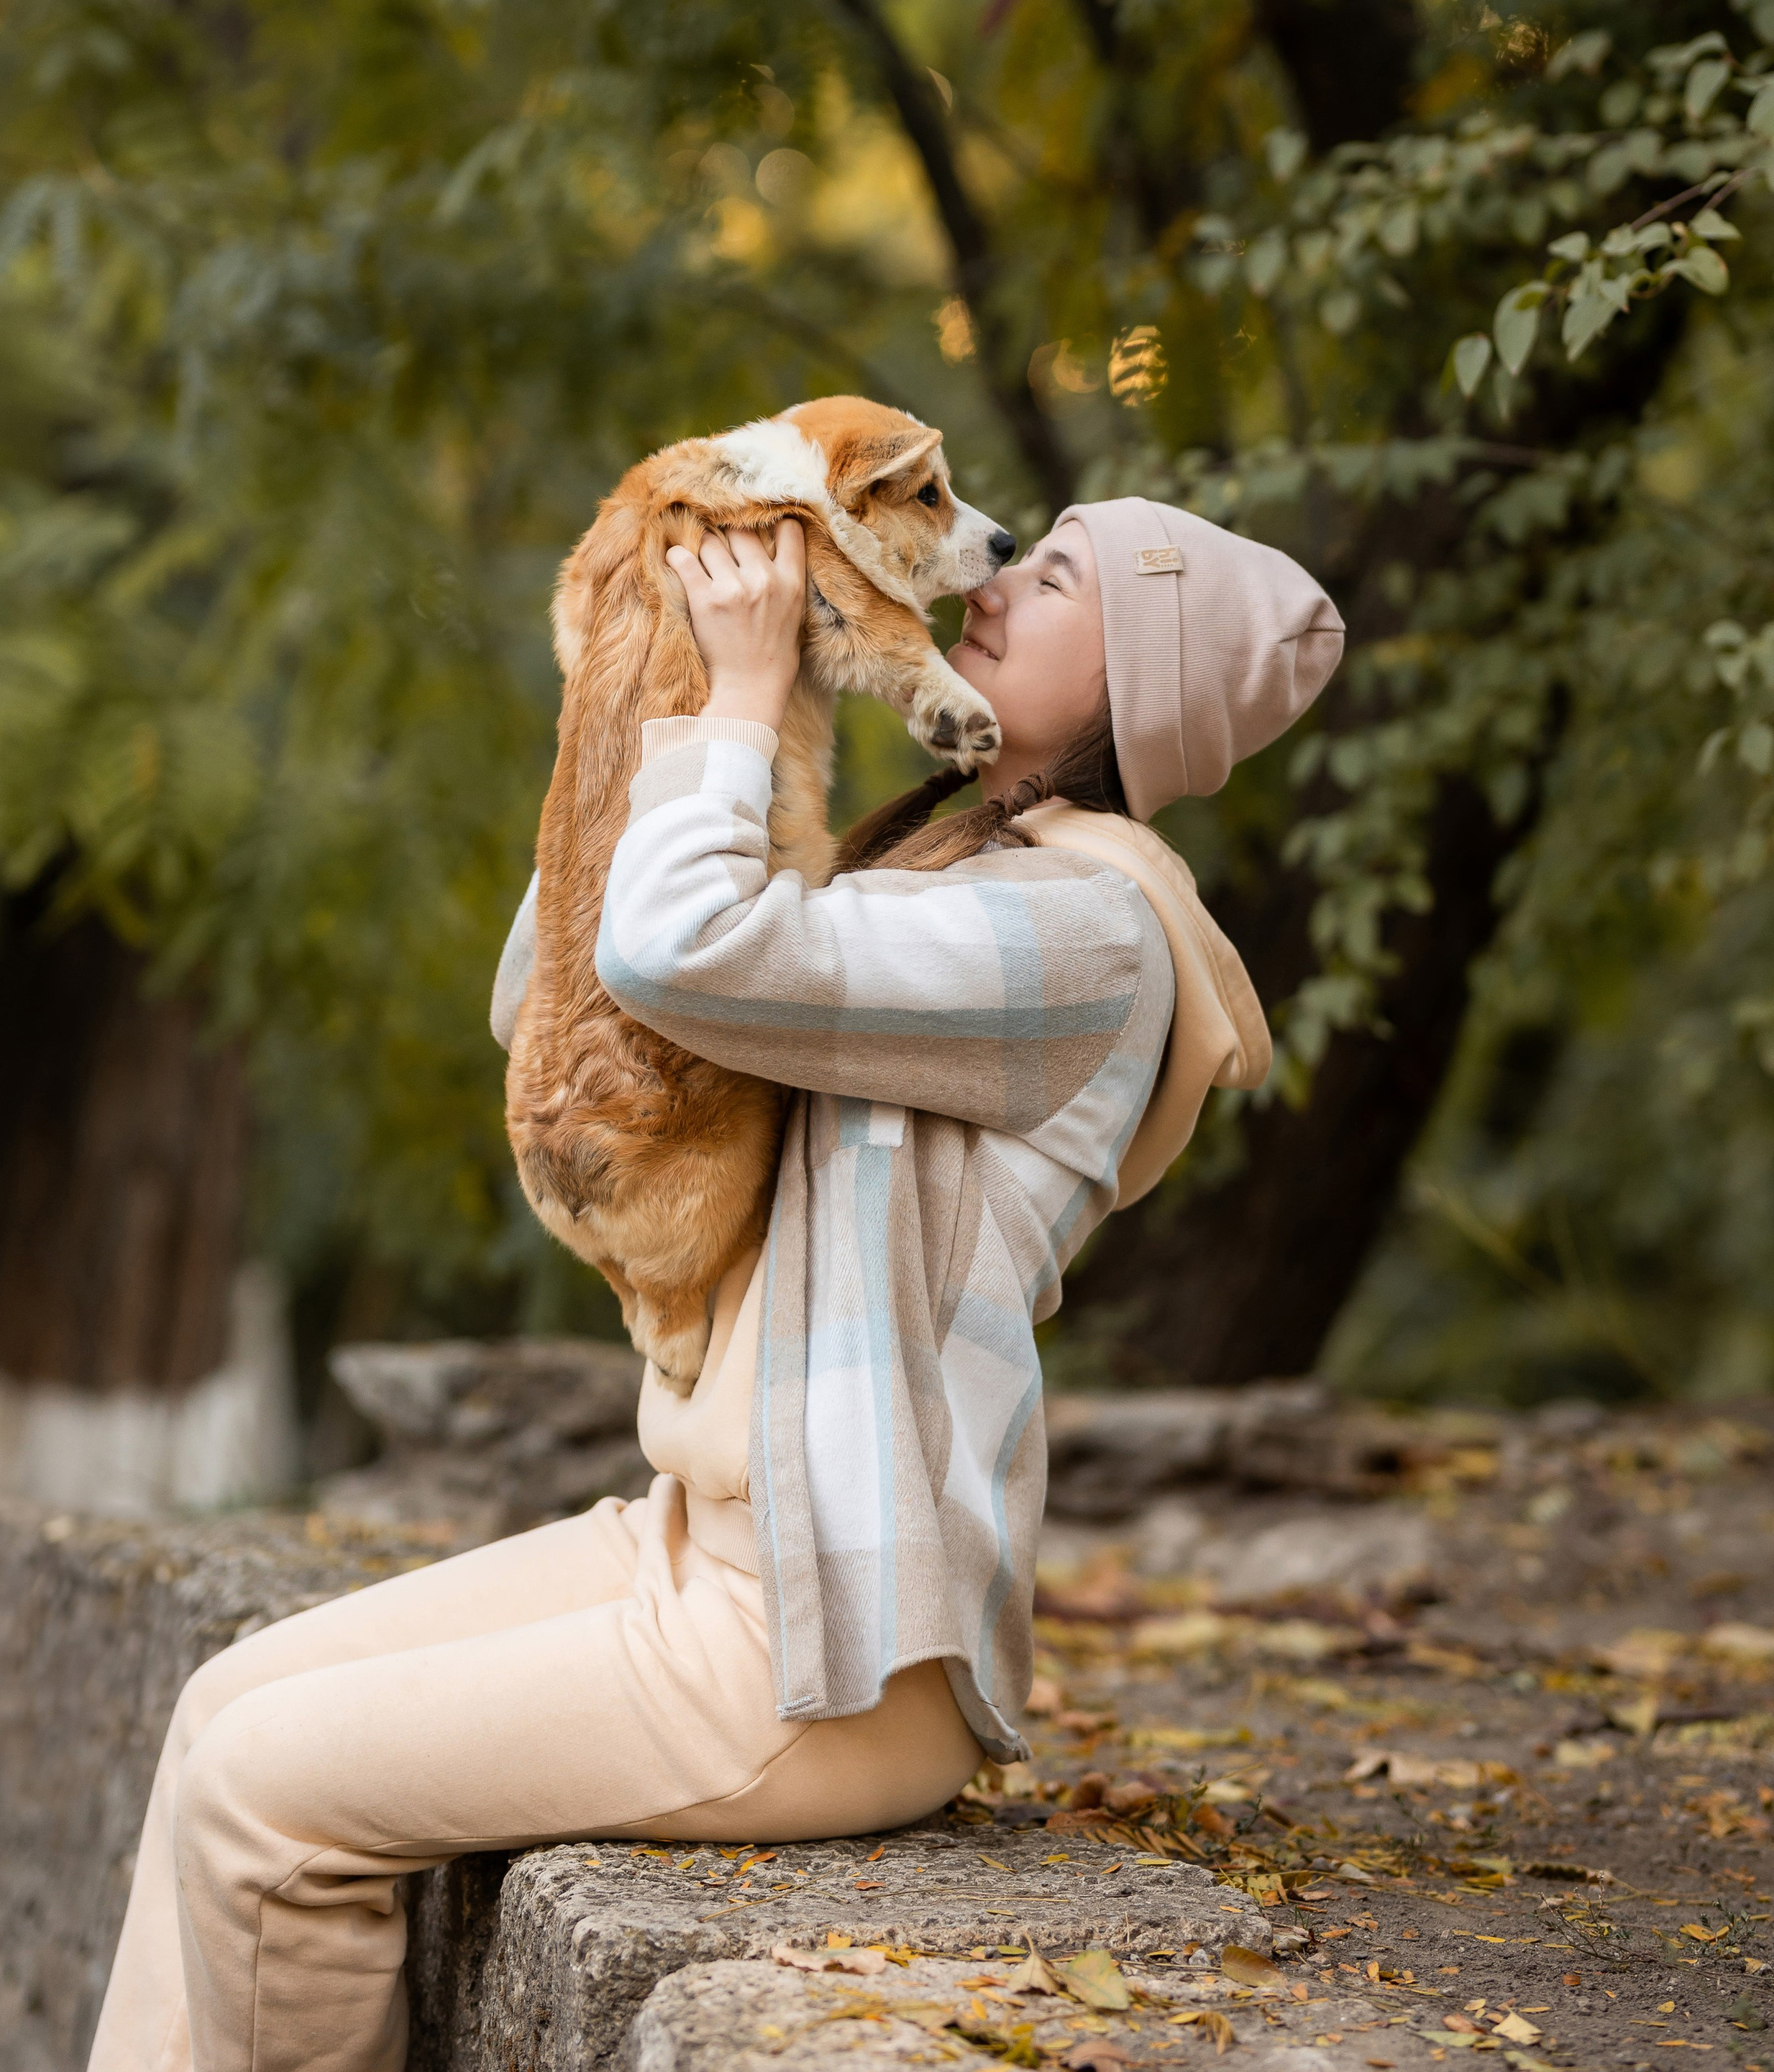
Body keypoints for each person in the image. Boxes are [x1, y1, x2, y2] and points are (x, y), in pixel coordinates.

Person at [88, 495, 1341, 2072]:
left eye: (1057, 575)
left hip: (820, 1650)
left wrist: (746, 706)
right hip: (698, 1553)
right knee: (221, 1707)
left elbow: (677, 954)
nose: (994, 576)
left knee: (266, 1798)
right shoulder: (927, 865)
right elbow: (546, 998)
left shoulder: (1088, 935)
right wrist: (675, 681)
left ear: (1142, 679)